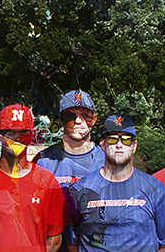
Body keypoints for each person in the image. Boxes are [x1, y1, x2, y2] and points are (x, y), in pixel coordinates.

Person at [0, 103, 64, 252]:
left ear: (31, 136)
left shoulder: (47, 181)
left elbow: (54, 238)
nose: (17, 139)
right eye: (10, 132)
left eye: (23, 133)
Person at [67, 114, 165, 252]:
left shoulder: (157, 190)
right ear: (102, 144)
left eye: (126, 139)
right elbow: (72, 240)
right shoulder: (79, 190)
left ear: (134, 145)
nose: (119, 145)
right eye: (112, 139)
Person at [35, 90, 103, 250]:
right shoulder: (43, 160)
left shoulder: (107, 161)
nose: (78, 121)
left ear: (93, 120)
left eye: (84, 115)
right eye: (70, 116)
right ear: (60, 120)